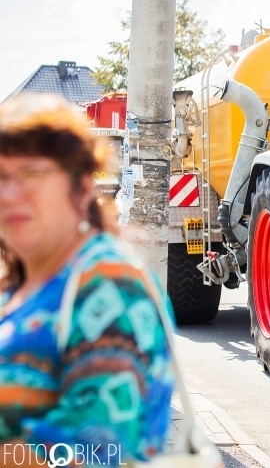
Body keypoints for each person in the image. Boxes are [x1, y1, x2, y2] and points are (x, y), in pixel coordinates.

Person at [0, 94, 174, 466]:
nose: (9, 194)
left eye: (31, 174)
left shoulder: (110, 286)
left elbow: (98, 452)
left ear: (80, 188)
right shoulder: (18, 286)